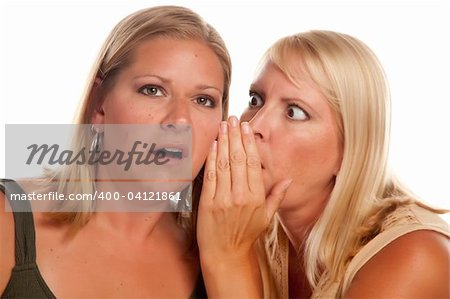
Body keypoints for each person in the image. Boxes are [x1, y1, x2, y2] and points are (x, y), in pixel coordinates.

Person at [197, 30, 449, 298]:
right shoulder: (244, 219)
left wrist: (228, 258)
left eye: (294, 112)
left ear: (351, 150)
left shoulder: (414, 257)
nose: (253, 125)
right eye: (255, 99)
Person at [0, 5, 231, 298]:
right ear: (99, 105)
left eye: (203, 99)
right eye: (153, 90)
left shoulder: (217, 260)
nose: (180, 120)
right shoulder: (8, 221)